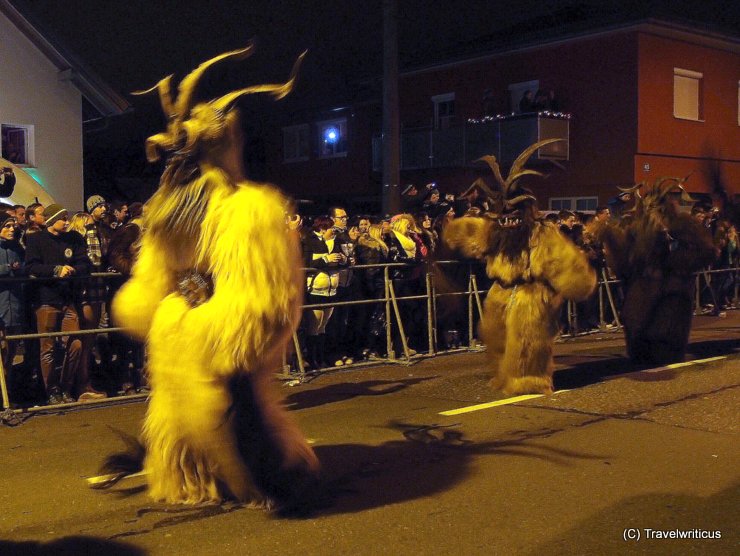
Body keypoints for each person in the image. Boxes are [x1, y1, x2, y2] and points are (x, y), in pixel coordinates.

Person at [104, 46, 319, 508]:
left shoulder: (173, 211)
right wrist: (228, 335)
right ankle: (250, 474)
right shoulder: (243, 209)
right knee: (215, 408)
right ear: (228, 144)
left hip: (182, 323)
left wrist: (190, 320)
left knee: (197, 407)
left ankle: (224, 473)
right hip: (203, 326)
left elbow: (154, 286)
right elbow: (257, 300)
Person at [444, 139, 596, 395]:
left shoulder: (542, 234)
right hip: (500, 294)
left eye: (515, 210)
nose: (509, 217)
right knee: (498, 343)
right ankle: (505, 378)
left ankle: (530, 383)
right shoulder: (496, 233)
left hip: (530, 297)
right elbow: (467, 234)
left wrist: (571, 285)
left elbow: (569, 268)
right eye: (504, 211)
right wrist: (454, 229)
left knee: (528, 345)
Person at [593, 178, 716, 364]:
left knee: (661, 354)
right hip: (648, 297)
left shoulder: (678, 226)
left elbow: (705, 252)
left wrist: (678, 256)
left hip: (668, 299)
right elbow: (623, 262)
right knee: (646, 355)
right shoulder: (636, 226)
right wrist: (610, 237)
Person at [25, 204, 104, 404]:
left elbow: (84, 263)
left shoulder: (74, 239)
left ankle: (66, 386)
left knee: (75, 343)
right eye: (63, 218)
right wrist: (55, 270)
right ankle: (51, 391)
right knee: (48, 348)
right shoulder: (36, 240)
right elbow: (32, 266)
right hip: (46, 301)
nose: (67, 222)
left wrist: (72, 270)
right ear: (52, 221)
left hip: (68, 299)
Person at [0, 213, 24, 392]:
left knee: (10, 353)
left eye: (12, 226)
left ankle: (6, 396)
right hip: (1, 307)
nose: (11, 229)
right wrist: (8, 269)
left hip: (14, 307)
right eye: (7, 226)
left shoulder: (17, 248)